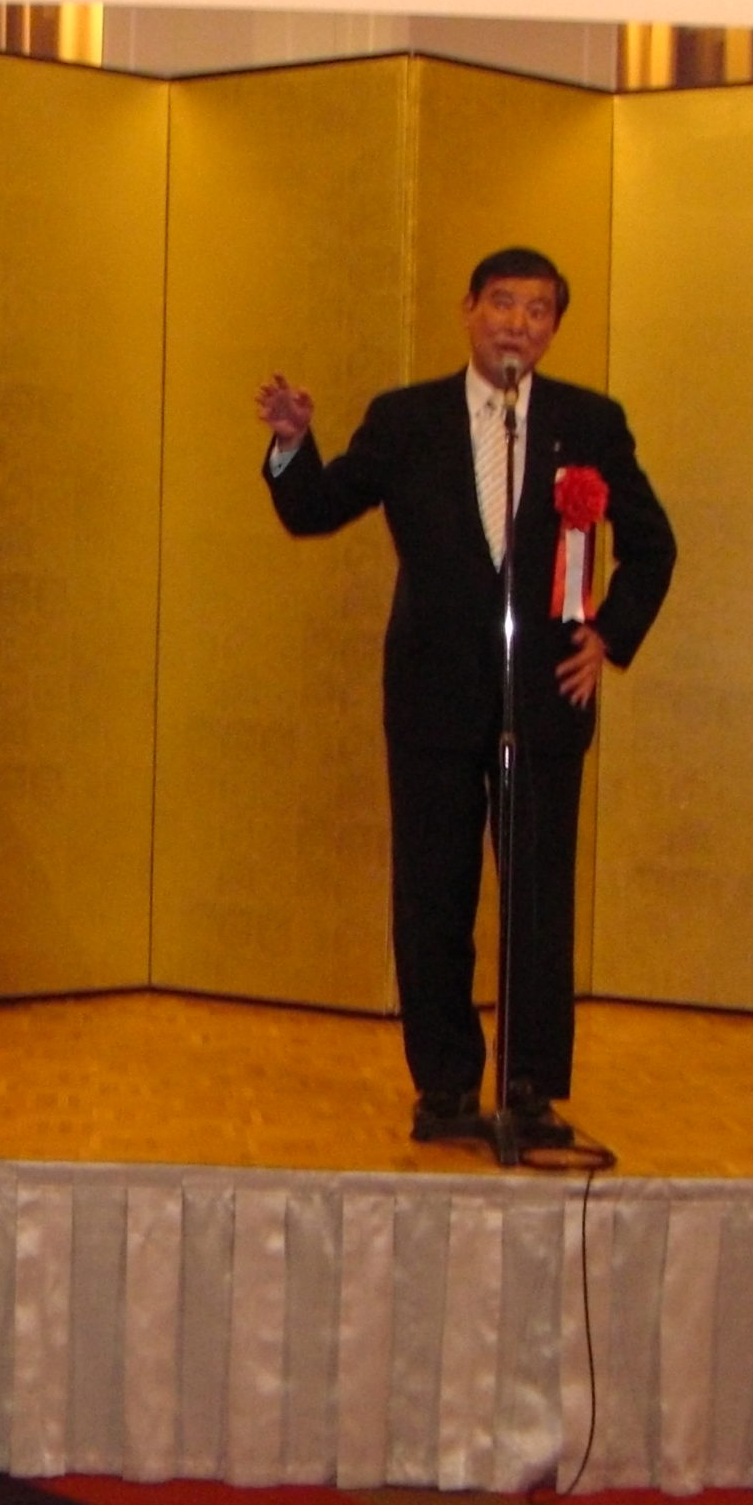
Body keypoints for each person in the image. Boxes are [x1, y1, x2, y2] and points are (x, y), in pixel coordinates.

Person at [256, 247, 674, 1152]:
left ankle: (529, 1087)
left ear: (552, 329)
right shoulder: (406, 418)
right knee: (434, 896)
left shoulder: (588, 422)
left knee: (537, 902)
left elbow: (653, 544)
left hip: (544, 697)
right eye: (503, 303)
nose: (518, 322)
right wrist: (291, 446)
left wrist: (608, 636)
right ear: (469, 310)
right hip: (433, 695)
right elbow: (315, 509)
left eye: (538, 310)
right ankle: (445, 1086)